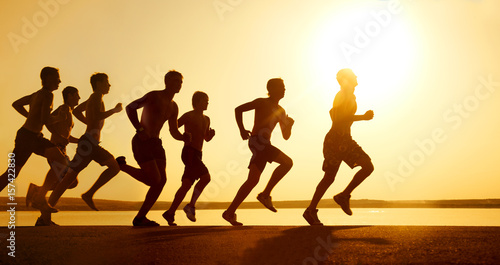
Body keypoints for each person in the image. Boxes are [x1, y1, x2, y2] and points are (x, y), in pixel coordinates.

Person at [34, 73, 123, 223]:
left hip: (89, 143)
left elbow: (76, 111)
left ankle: (44, 217)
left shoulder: (93, 98)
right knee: (114, 167)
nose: (109, 85)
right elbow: (96, 116)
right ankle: (88, 194)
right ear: (99, 84)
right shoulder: (96, 97)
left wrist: (89, 123)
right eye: (107, 82)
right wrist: (113, 111)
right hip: (89, 144)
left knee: (68, 180)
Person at [116, 70, 189, 226]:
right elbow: (130, 108)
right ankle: (123, 166)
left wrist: (183, 137)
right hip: (142, 141)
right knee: (154, 180)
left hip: (157, 144)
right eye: (176, 81)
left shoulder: (174, 106)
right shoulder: (154, 96)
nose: (179, 84)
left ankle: (140, 218)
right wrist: (139, 129)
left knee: (161, 181)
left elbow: (173, 131)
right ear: (167, 82)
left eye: (181, 82)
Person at [303, 68, 374, 226]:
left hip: (346, 140)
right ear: (346, 80)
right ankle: (310, 210)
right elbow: (336, 118)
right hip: (335, 140)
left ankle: (344, 195)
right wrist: (362, 117)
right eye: (353, 75)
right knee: (329, 177)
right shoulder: (341, 95)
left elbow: (335, 114)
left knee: (368, 166)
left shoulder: (351, 96)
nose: (357, 77)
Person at [223, 78, 294, 226]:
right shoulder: (262, 102)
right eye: (281, 87)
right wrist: (242, 129)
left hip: (264, 144)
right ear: (272, 89)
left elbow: (286, 136)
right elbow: (238, 109)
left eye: (284, 87)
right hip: (257, 141)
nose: (284, 89)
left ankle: (229, 212)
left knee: (253, 180)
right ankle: (265, 194)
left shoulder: (281, 111)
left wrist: (290, 125)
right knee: (287, 163)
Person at [0, 67, 68, 194]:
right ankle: (41, 194)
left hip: (30, 136)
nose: (60, 81)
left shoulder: (36, 94)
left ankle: (40, 194)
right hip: (28, 137)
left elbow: (16, 104)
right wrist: (59, 117)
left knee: (12, 173)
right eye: (57, 78)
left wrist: (30, 116)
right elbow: (45, 120)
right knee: (61, 160)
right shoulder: (48, 95)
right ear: (47, 78)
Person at [25, 86, 82, 226]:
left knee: (71, 182)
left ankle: (41, 206)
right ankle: (39, 198)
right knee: (71, 180)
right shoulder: (63, 109)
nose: (79, 98)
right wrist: (58, 136)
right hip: (57, 149)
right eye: (76, 95)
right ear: (69, 95)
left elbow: (66, 135)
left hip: (62, 149)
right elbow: (48, 122)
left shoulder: (69, 111)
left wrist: (80, 140)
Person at [163, 91, 215, 226]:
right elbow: (173, 127)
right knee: (206, 177)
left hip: (198, 153)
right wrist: (183, 136)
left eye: (208, 100)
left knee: (186, 185)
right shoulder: (189, 116)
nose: (207, 103)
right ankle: (191, 206)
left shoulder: (207, 119)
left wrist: (211, 136)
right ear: (197, 102)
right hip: (189, 152)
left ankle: (170, 213)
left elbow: (206, 138)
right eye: (205, 100)